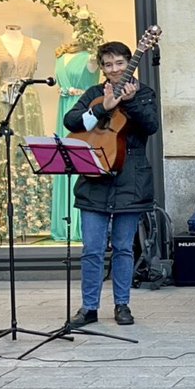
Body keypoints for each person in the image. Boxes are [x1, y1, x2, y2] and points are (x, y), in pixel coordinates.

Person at [63, 41, 159, 326]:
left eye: (119, 63)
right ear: (102, 68)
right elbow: (71, 121)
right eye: (108, 64)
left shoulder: (144, 94)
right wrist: (102, 108)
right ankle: (88, 307)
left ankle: (122, 305)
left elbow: (151, 126)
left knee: (123, 247)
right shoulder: (94, 93)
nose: (114, 69)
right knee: (91, 248)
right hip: (94, 178)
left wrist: (130, 103)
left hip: (131, 178)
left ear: (130, 63)